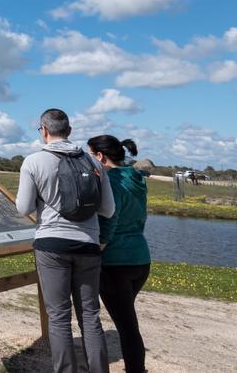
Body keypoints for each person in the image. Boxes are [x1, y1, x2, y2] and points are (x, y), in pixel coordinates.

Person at [17, 109, 115, 373]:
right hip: (88, 245)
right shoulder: (94, 163)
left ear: (44, 130)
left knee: (59, 317)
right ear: (69, 131)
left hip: (52, 245)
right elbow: (108, 210)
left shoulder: (34, 161)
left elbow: (23, 207)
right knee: (90, 315)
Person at [88, 135, 151, 373]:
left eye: (90, 154)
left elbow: (110, 222)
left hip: (116, 262)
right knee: (127, 319)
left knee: (127, 327)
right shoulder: (134, 178)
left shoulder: (110, 181)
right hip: (140, 259)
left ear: (100, 156)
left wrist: (98, 249)